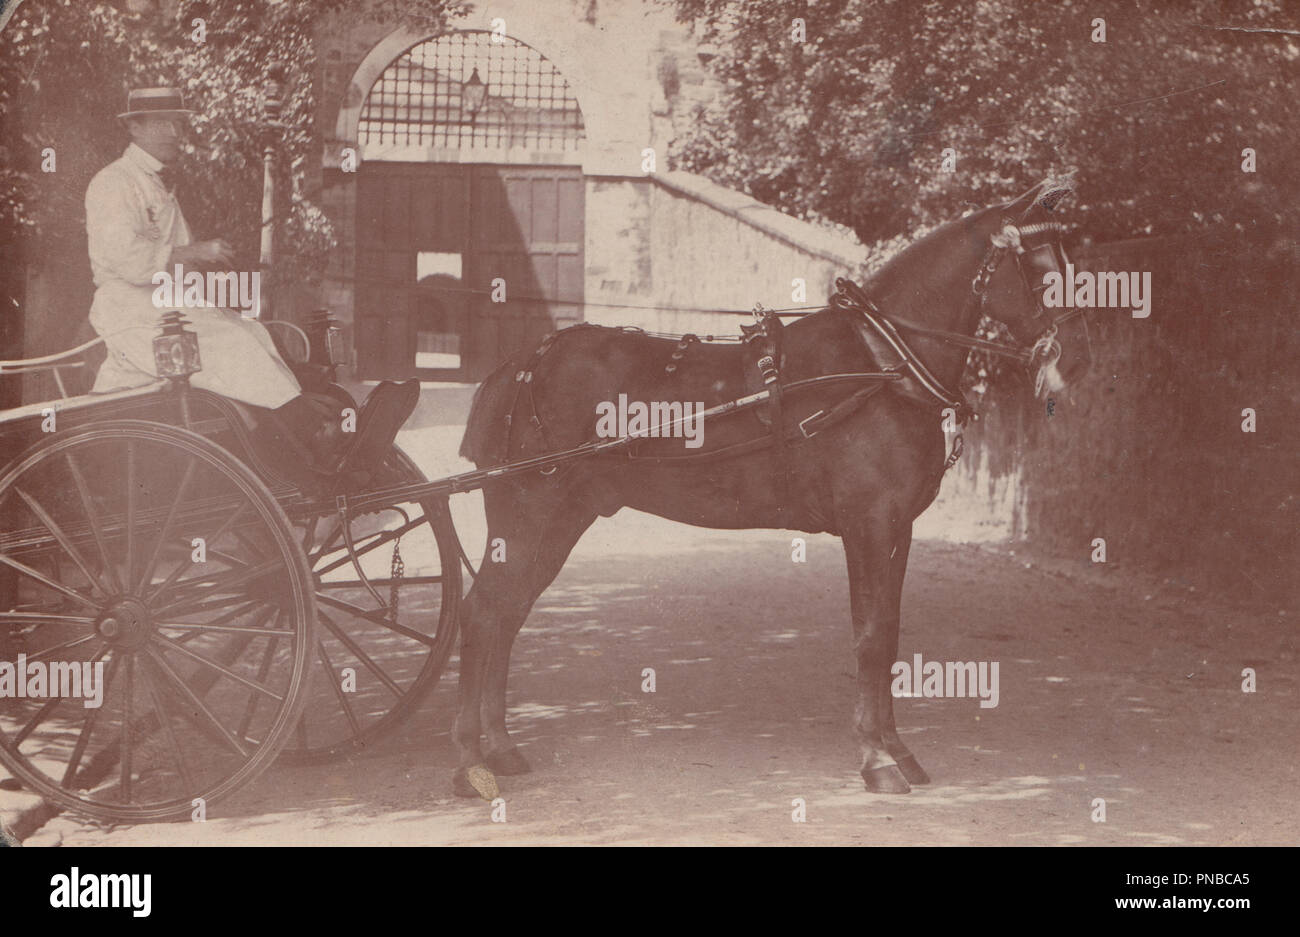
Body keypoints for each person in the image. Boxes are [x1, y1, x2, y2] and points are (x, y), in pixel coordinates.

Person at [85, 87, 416, 477]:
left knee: (251, 330)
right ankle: (310, 436)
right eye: (163, 122)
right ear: (134, 127)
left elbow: (172, 264)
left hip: (164, 305)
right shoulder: (113, 183)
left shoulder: (157, 184)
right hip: (131, 310)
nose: (175, 131)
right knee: (233, 340)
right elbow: (122, 257)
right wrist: (192, 253)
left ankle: (309, 430)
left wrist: (209, 275)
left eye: (178, 122)